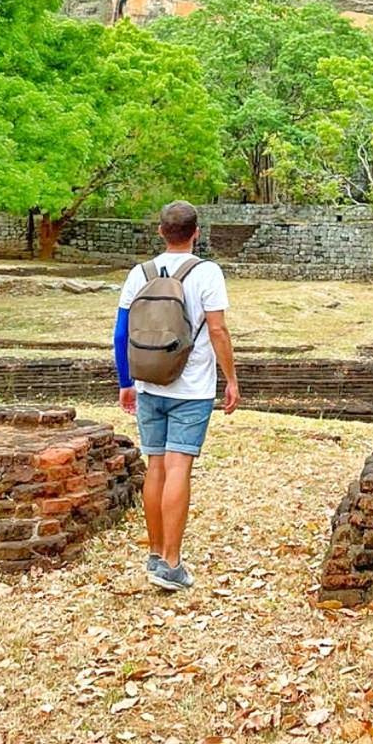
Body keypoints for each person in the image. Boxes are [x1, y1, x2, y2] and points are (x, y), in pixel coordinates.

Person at [113, 200, 239, 591]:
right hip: (192, 387)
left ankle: (154, 552)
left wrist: (126, 381)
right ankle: (171, 563)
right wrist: (231, 379)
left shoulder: (141, 272)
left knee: (157, 467)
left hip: (149, 382)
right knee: (178, 466)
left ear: (160, 231)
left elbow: (121, 332)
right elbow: (217, 330)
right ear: (196, 232)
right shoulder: (206, 273)